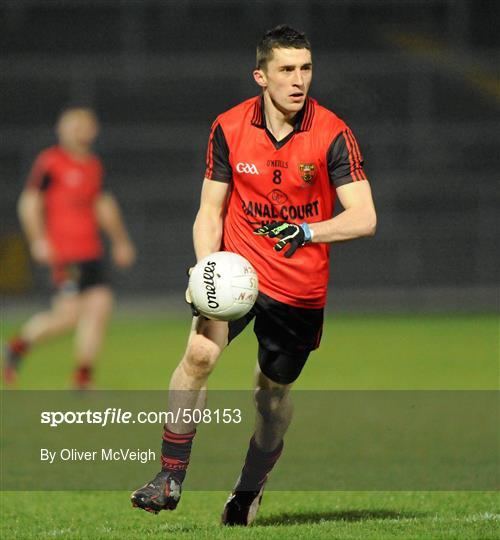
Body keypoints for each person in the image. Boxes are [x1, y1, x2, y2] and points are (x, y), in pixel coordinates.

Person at [131, 24, 376, 525]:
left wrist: (307, 232)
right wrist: (205, 267)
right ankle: (170, 475)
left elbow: (364, 217)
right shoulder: (228, 126)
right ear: (260, 75)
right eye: (286, 69)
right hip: (237, 272)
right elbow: (209, 211)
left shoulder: (333, 133)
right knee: (198, 354)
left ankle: (248, 488)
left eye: (306, 68)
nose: (298, 80)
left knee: (271, 397)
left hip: (299, 288)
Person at [3, 107, 136, 389]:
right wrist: (38, 239)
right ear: (61, 130)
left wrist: (121, 241)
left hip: (92, 252)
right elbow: (29, 202)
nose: (79, 130)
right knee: (67, 316)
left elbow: (102, 205)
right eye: (73, 125)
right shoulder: (51, 162)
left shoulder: (93, 165)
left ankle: (83, 377)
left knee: (100, 307)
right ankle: (17, 346)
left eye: (85, 125)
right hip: (67, 254)